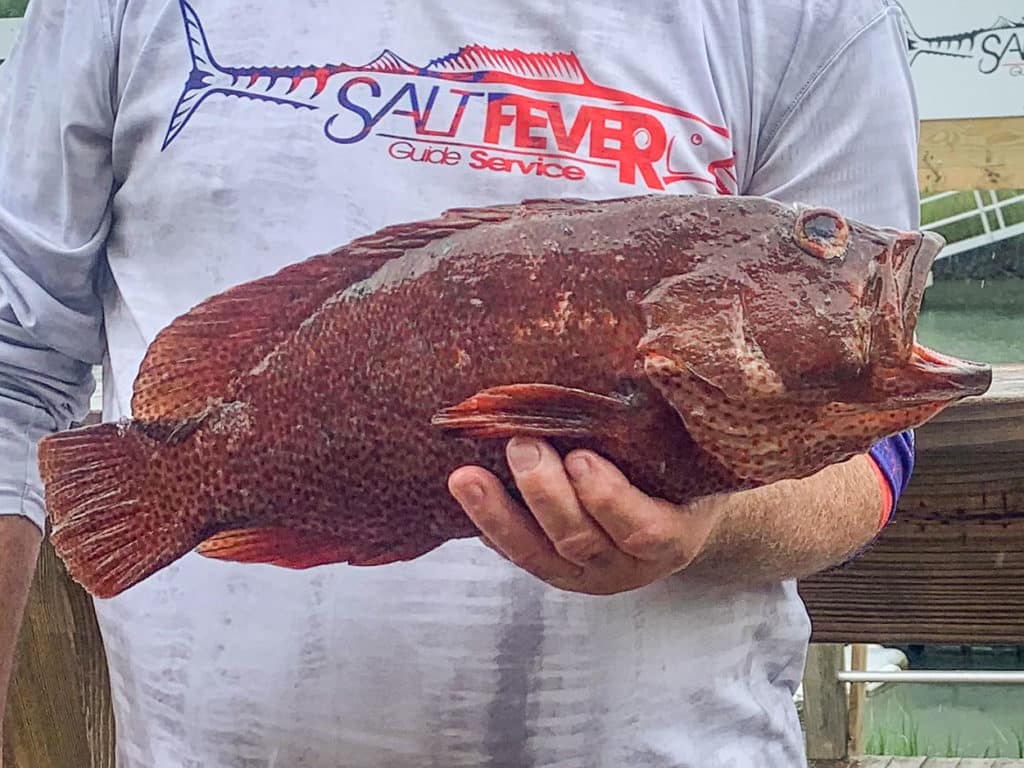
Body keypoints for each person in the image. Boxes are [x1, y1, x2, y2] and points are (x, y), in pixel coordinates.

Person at [0, 0, 919, 765]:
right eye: (823, 241)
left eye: (822, 239)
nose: (848, 256)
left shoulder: (810, 15)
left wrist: (714, 513)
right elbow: (12, 368)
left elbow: (875, 446)